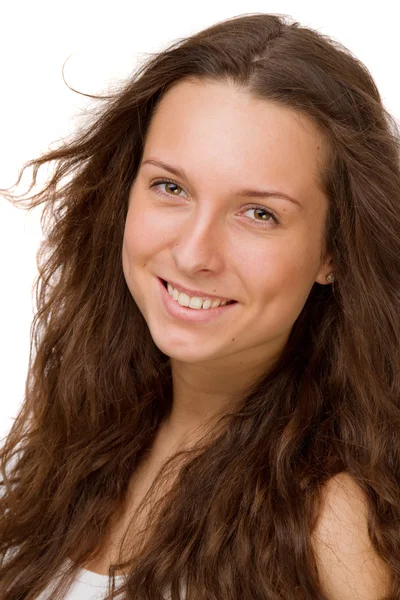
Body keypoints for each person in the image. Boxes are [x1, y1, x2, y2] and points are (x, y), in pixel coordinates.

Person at [0, 11, 398, 600]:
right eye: (171, 187)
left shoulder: (332, 522)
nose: (193, 253)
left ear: (333, 252)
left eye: (259, 213)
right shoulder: (55, 451)